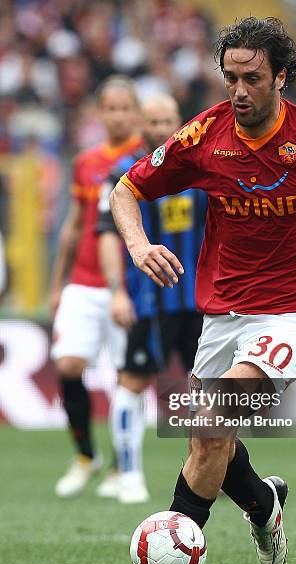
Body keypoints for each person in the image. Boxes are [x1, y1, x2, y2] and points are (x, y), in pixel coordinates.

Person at [109, 17, 296, 564]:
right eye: (230, 77)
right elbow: (127, 191)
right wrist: (138, 246)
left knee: (214, 415)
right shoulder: (204, 136)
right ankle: (263, 504)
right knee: (205, 438)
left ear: (281, 77)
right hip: (225, 310)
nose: (239, 91)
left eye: (252, 78)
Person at [97, 93, 207, 503]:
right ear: (141, 123)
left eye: (168, 122)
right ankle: (127, 473)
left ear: (179, 122)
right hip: (148, 298)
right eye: (154, 122)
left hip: (199, 300)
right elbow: (107, 234)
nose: (161, 130)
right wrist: (116, 292)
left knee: (211, 390)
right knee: (133, 380)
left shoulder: (199, 169)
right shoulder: (123, 174)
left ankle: (215, 471)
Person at [49, 75, 144, 498]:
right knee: (68, 366)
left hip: (127, 283)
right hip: (83, 281)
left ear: (136, 113)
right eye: (111, 107)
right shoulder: (86, 161)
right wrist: (57, 283)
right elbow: (74, 224)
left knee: (126, 378)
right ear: (101, 112)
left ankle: (124, 468)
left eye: (126, 108)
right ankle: (87, 455)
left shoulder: (147, 159)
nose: (118, 115)